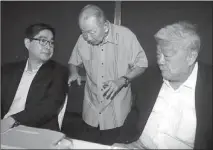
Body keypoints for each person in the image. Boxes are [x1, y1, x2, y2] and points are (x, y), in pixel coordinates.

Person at [115, 21, 212, 149]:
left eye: (166, 56)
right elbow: (134, 116)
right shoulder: (151, 77)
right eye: (158, 54)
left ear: (191, 57)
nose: (160, 61)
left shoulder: (208, 87)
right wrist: (126, 143)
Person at [67, 4, 148, 145]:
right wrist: (74, 72)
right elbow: (73, 62)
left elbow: (142, 64)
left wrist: (123, 80)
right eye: (83, 32)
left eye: (91, 32)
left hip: (116, 114)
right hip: (91, 111)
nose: (87, 37)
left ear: (105, 26)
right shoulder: (82, 39)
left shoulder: (126, 36)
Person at [1, 23, 69, 132]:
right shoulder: (8, 70)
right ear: (28, 43)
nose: (48, 46)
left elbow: (48, 107)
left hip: (37, 130)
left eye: (51, 42)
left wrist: (11, 120)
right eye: (43, 41)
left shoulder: (59, 71)